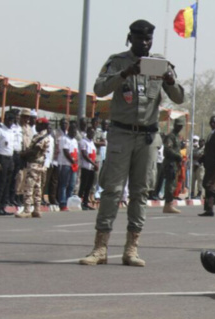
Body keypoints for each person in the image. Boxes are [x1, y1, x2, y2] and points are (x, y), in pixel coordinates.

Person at [79, 19, 184, 266]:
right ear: (131, 39)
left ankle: (131, 248)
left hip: (147, 136)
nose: (145, 43)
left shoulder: (161, 64)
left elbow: (178, 97)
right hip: (121, 134)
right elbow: (99, 88)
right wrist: (125, 73)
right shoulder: (117, 61)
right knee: (112, 190)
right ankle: (100, 248)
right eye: (140, 39)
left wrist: (170, 80)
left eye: (148, 39)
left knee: (140, 192)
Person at [158, 117, 185, 213]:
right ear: (175, 125)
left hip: (175, 164)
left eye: (181, 126)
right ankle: (168, 204)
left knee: (173, 184)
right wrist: (178, 155)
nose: (180, 127)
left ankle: (169, 203)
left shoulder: (177, 136)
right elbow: (168, 150)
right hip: (170, 163)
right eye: (178, 125)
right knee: (170, 184)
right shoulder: (171, 136)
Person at [0, 111, 16, 216]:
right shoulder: (0, 130)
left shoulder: (11, 131)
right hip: (2, 158)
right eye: (9, 120)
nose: (10, 122)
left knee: (7, 183)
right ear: (5, 119)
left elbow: (11, 147)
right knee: (1, 184)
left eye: (12, 120)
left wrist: (12, 161)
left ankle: (3, 206)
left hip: (10, 158)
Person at [56, 121, 79, 211]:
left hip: (73, 165)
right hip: (65, 164)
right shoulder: (64, 139)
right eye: (72, 131)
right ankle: (62, 203)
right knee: (63, 184)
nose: (74, 133)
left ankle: (69, 202)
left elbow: (76, 153)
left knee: (71, 185)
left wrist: (75, 162)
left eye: (75, 131)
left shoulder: (75, 141)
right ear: (69, 130)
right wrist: (72, 161)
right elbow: (66, 152)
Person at [77, 125, 98, 211]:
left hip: (91, 168)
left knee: (89, 186)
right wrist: (94, 163)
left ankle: (85, 202)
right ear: (87, 132)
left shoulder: (91, 142)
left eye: (93, 133)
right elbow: (85, 155)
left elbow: (93, 154)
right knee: (83, 185)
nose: (92, 134)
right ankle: (79, 202)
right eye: (91, 132)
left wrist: (95, 164)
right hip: (85, 167)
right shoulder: (83, 141)